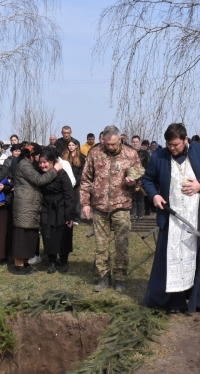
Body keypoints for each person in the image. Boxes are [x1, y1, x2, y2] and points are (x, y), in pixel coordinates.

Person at [142, 123, 200, 314]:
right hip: (172, 217)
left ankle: (199, 303)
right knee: (172, 257)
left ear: (186, 140)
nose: (172, 148)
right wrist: (154, 195)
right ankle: (173, 302)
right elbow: (147, 180)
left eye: (176, 144)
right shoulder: (160, 156)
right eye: (169, 144)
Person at [80, 125, 142, 292]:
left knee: (122, 244)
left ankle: (120, 277)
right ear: (103, 140)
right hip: (99, 206)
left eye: (114, 144)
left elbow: (139, 179)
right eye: (107, 144)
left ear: (120, 139)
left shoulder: (131, 154)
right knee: (101, 245)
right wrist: (85, 203)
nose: (111, 147)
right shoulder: (95, 153)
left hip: (121, 206)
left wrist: (134, 182)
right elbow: (86, 179)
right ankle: (103, 277)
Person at [10, 143, 61, 275]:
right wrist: (55, 170)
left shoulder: (27, 164)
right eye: (38, 155)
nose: (39, 159)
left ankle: (25, 263)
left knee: (30, 236)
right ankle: (19, 266)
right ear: (33, 155)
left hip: (30, 205)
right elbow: (39, 180)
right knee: (22, 235)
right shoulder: (24, 165)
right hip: (24, 206)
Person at [39, 147, 77, 274]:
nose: (43, 165)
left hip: (61, 207)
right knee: (47, 234)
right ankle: (51, 261)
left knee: (63, 234)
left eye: (46, 162)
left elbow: (69, 195)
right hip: (47, 207)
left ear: (52, 162)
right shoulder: (40, 175)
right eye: (41, 162)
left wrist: (70, 215)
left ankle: (64, 260)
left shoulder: (62, 174)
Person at [61, 140, 85, 221]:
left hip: (77, 182)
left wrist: (76, 181)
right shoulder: (64, 156)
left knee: (76, 200)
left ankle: (77, 218)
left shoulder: (81, 157)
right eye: (69, 145)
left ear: (76, 146)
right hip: (66, 181)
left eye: (72, 145)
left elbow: (82, 171)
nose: (71, 147)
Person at [130, 135, 149, 218]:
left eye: (136, 142)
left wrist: (144, 177)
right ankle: (133, 214)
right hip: (130, 178)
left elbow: (148, 166)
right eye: (133, 142)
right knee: (132, 197)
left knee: (140, 197)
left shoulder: (145, 153)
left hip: (141, 178)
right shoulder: (128, 153)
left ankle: (140, 215)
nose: (135, 143)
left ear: (139, 142)